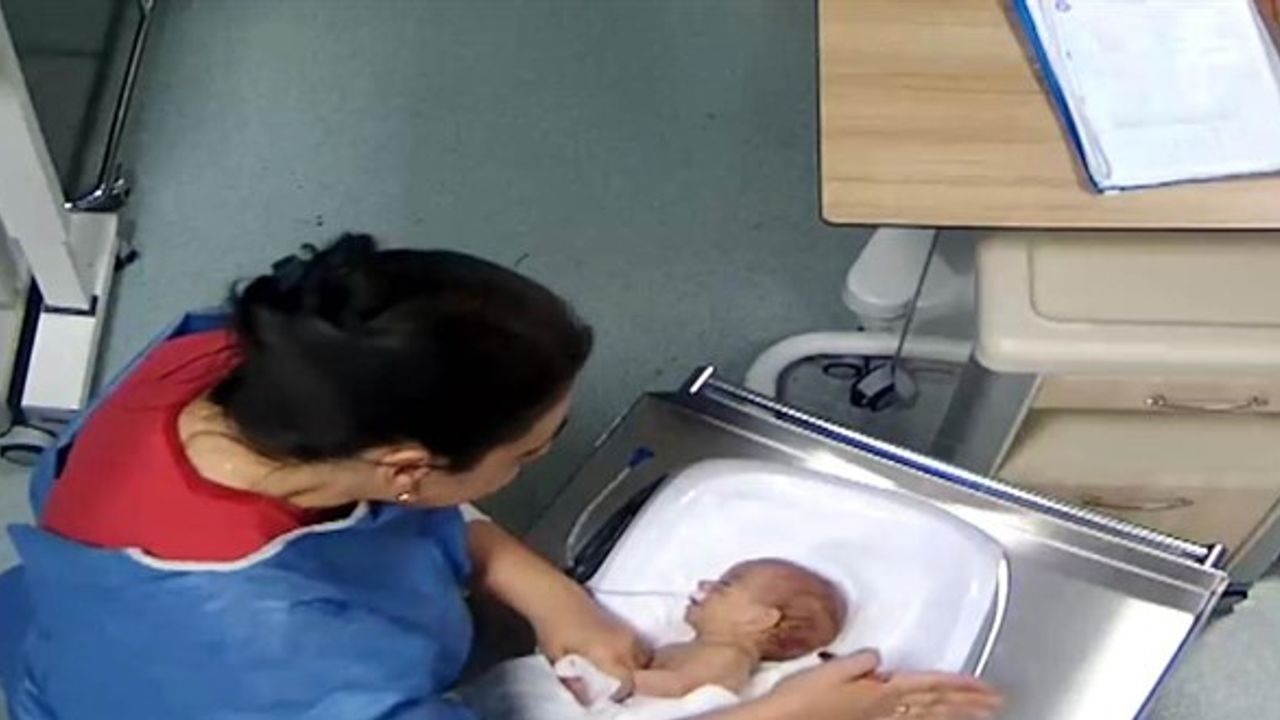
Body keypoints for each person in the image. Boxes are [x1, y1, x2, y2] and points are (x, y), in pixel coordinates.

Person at [0, 234, 1000, 720]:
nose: (536, 462)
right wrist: (784, 716)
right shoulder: (276, 655)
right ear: (407, 466)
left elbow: (390, 515)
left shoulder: (250, 363)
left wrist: (545, 590)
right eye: (525, 454)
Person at [635, 559, 847, 698]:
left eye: (724, 586)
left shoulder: (729, 656)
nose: (704, 584)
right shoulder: (705, 648)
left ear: (761, 619)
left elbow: (682, 687)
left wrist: (626, 680)